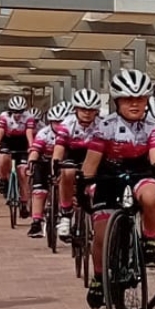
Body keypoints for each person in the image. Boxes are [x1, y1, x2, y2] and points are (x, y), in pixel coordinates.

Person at [79, 70, 155, 309]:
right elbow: (91, 162)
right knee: (100, 234)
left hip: (140, 172)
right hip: (109, 176)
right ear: (117, 102)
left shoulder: (152, 128)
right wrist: (83, 187)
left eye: (140, 98)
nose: (135, 103)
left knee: (152, 196)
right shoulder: (105, 126)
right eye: (129, 99)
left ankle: (149, 240)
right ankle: (98, 277)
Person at [52, 88, 103, 242]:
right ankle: (66, 214)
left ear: (96, 111)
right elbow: (58, 150)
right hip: (72, 154)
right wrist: (55, 169)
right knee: (67, 173)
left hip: (94, 155)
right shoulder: (67, 125)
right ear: (75, 109)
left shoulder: (102, 125)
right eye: (83, 109)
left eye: (91, 109)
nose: (87, 113)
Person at [25, 101, 71, 238]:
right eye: (55, 122)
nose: (58, 125)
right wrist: (31, 162)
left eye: (61, 122)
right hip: (44, 163)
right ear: (50, 122)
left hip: (62, 163)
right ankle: (36, 223)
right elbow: (35, 150)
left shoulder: (71, 132)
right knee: (39, 191)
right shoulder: (44, 133)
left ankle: (66, 218)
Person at [0, 94, 36, 213]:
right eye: (15, 111)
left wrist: (31, 146)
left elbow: (29, 132)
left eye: (20, 111)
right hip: (8, 140)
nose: (17, 114)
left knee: (23, 174)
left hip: (22, 142)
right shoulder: (4, 116)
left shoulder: (29, 117)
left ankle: (24, 203)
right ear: (10, 110)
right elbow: (0, 131)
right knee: (3, 158)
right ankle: (4, 180)